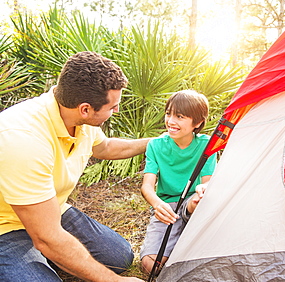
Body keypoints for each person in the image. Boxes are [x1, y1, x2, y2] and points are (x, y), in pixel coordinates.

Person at [0, 51, 148, 282]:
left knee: (119, 256)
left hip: (50, 209)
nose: (116, 111)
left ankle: (45, 255)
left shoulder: (79, 120)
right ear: (86, 109)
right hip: (5, 226)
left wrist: (157, 143)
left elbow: (106, 147)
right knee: (46, 257)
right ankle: (38, 256)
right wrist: (114, 281)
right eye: (113, 107)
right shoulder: (23, 138)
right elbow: (46, 235)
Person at [140, 90, 217, 274]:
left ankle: (186, 238)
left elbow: (207, 183)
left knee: (195, 203)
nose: (171, 121)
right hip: (168, 207)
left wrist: (201, 190)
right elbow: (147, 186)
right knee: (150, 266)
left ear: (197, 123)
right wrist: (158, 205)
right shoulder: (156, 145)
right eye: (169, 114)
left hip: (193, 205)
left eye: (180, 116)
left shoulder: (208, 145)